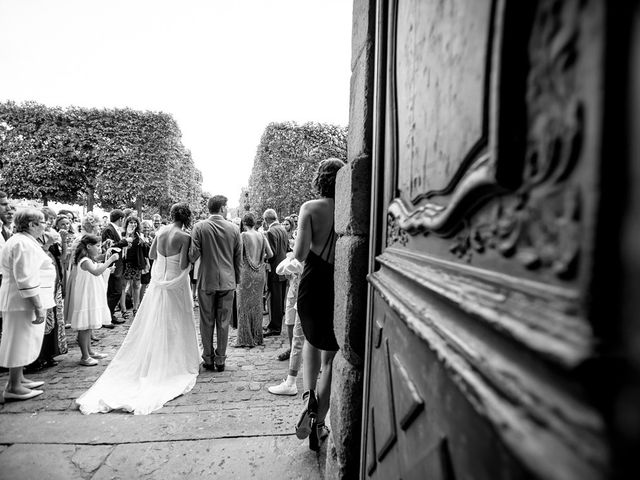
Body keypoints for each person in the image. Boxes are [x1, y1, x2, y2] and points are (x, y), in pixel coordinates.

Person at [76, 203, 200, 414]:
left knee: (155, 319)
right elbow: (181, 266)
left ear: (171, 215)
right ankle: (174, 358)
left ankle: (155, 354)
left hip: (159, 282)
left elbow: (152, 255)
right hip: (175, 284)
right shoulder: (185, 237)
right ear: (187, 217)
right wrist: (193, 258)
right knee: (176, 320)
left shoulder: (161, 231)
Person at [294, 158, 345, 451]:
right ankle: (320, 422)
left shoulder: (310, 208)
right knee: (330, 360)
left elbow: (300, 254)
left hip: (311, 286)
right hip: (337, 286)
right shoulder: (347, 209)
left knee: (308, 342)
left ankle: (308, 395)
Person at [0, 208, 56, 401]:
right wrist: (38, 305)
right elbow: (25, 278)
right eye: (42, 223)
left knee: (24, 341)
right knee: (19, 342)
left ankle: (19, 378)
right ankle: (13, 386)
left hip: (21, 302)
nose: (45, 226)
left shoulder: (24, 241)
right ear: (32, 225)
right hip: (22, 303)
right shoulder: (22, 244)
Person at [189, 195, 241, 372]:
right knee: (224, 322)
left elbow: (193, 255)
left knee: (206, 320)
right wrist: (237, 280)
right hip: (228, 281)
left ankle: (208, 358)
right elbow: (237, 259)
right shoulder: (234, 229)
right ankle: (221, 360)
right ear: (222, 208)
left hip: (206, 280)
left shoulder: (199, 227)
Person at [69, 235, 118, 366]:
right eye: (97, 246)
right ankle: (84, 356)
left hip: (90, 293)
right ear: (89, 246)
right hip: (86, 295)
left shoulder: (89, 259)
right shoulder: (84, 260)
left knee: (89, 325)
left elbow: (98, 267)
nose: (99, 248)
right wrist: (110, 261)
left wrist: (107, 269)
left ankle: (89, 351)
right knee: (84, 327)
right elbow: (96, 272)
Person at [235, 212, 273, 348]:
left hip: (246, 273)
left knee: (244, 306)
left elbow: (239, 258)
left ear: (244, 223)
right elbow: (271, 254)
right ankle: (257, 336)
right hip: (259, 273)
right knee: (257, 306)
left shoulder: (243, 235)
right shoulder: (262, 235)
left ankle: (245, 338)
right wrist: (260, 258)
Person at [101, 209, 130, 328]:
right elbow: (110, 247)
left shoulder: (114, 229)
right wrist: (125, 242)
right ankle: (107, 316)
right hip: (113, 264)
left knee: (115, 291)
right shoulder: (109, 229)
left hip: (119, 263)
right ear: (121, 219)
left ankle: (110, 315)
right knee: (115, 291)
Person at [262, 209, 288, 337]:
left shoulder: (271, 231)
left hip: (275, 269)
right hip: (283, 268)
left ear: (266, 220)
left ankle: (275, 327)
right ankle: (275, 324)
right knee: (280, 298)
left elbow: (272, 254)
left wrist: (263, 257)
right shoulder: (283, 229)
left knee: (275, 300)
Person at [122, 216, 148, 318]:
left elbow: (146, 252)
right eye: (131, 222)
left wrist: (144, 243)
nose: (133, 224)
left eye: (135, 222)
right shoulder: (123, 234)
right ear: (127, 223)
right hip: (126, 263)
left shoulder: (139, 235)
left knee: (136, 286)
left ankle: (136, 308)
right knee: (123, 286)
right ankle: (123, 309)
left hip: (137, 264)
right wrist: (127, 236)